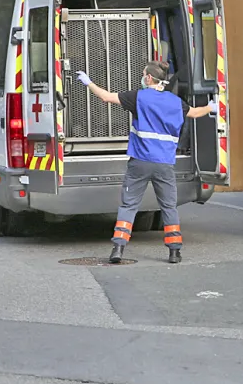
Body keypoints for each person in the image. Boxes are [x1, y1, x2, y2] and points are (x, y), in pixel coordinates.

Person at [77, 60, 217, 264]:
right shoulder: (175, 101)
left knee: (129, 205)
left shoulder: (138, 97)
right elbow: (195, 113)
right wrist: (210, 106)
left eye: (143, 74)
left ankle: (118, 248)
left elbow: (106, 97)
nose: (142, 77)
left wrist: (89, 83)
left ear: (149, 78)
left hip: (140, 162)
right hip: (165, 164)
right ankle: (174, 251)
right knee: (169, 206)